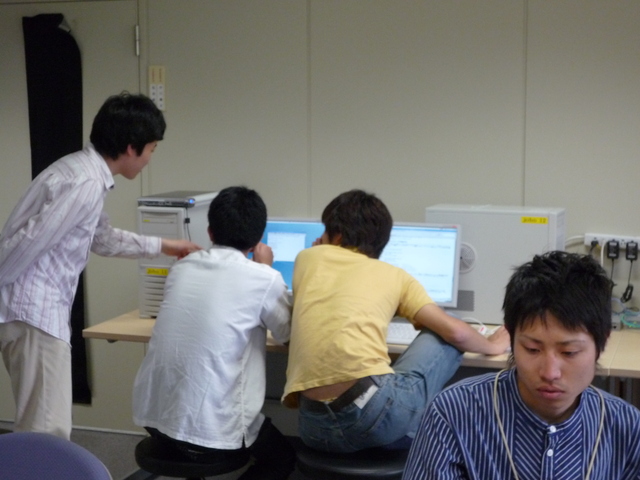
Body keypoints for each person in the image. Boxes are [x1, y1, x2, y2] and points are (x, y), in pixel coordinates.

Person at [0, 92, 201, 440]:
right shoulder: (86, 183)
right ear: (131, 148)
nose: (150, 159)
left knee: (42, 427)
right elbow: (26, 244)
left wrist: (165, 246)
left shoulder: (81, 171)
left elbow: (101, 238)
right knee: (45, 434)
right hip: (34, 313)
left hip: (28, 312)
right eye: (152, 149)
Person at [282, 189, 510, 453]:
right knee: (450, 324)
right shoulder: (395, 276)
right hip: (371, 419)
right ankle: (421, 434)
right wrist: (492, 345)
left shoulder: (306, 258)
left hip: (312, 429)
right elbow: (456, 334)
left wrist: (321, 248)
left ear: (338, 235)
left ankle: (410, 431)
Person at [403, 251, 640, 480]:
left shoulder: (627, 426)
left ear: (602, 342)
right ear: (512, 337)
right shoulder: (454, 413)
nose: (550, 373)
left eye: (569, 352)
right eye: (532, 349)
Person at [132, 186, 296, 480]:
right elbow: (287, 335)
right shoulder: (264, 277)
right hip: (208, 432)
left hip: (154, 417)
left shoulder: (181, 268)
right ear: (259, 239)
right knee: (282, 459)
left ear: (209, 231)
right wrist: (265, 268)